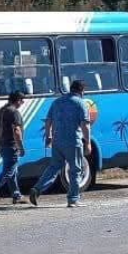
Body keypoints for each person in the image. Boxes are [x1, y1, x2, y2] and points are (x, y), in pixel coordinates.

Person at [29, 79, 92, 208]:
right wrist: (88, 142)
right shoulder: (80, 103)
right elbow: (85, 125)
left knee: (54, 167)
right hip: (73, 141)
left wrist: (49, 136)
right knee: (75, 170)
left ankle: (37, 189)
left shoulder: (57, 102)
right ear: (82, 91)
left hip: (57, 141)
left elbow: (48, 121)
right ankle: (73, 199)